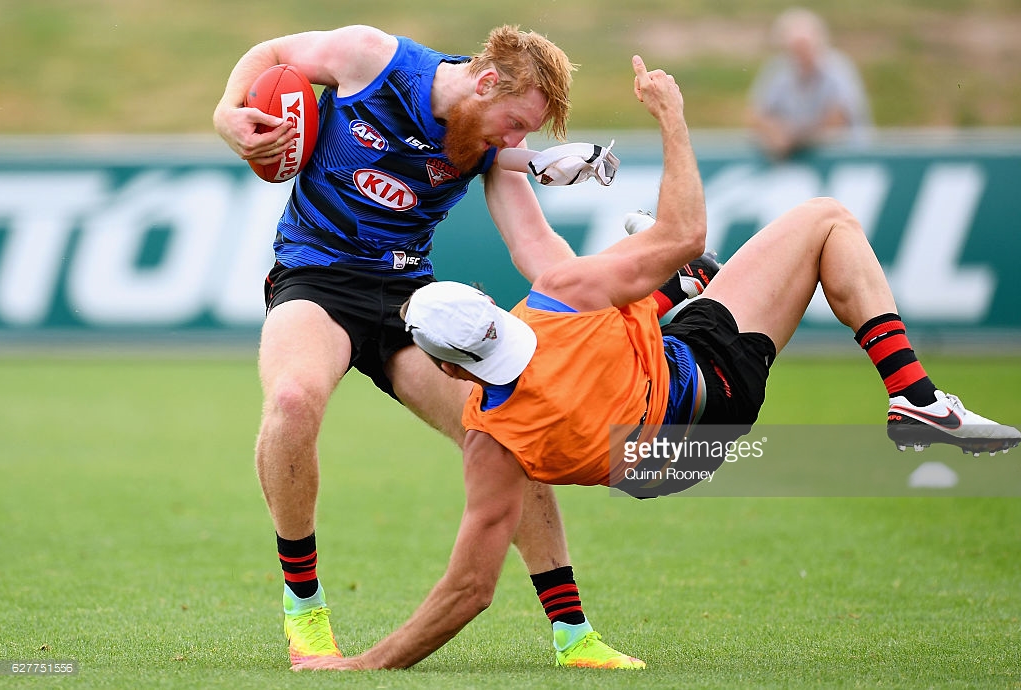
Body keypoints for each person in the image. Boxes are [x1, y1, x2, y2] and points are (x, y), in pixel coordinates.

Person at [294, 53, 1020, 671]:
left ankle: (686, 285)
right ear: (490, 306)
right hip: (707, 382)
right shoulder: (559, 297)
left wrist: (366, 663)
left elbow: (467, 592)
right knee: (822, 221)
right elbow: (681, 227)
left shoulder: (490, 437)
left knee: (667, 282)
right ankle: (914, 396)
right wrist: (670, 115)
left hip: (661, 467)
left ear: (451, 371)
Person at [212, 24, 639, 669]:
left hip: (409, 297)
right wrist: (228, 114)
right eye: (516, 123)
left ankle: (573, 634)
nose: (517, 143)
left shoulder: (488, 148)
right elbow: (271, 53)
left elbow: (540, 255)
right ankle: (305, 606)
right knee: (295, 401)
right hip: (315, 277)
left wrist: (621, 290)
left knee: (507, 430)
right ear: (488, 81)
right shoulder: (371, 58)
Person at [747, 7, 872, 160]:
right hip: (796, 164)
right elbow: (756, 115)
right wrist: (774, 131)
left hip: (846, 160)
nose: (800, 53)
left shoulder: (838, 68)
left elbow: (839, 117)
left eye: (804, 46)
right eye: (795, 47)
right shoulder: (778, 70)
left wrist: (794, 138)